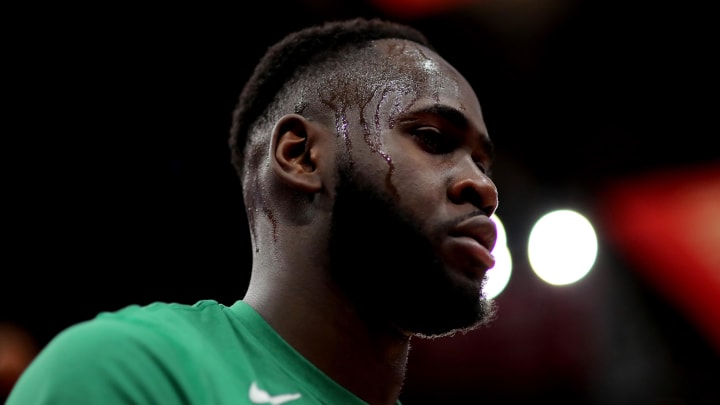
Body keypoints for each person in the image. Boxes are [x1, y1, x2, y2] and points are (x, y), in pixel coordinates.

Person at [7, 17, 499, 405]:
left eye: (482, 162)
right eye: (433, 139)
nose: (484, 187)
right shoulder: (131, 370)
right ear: (300, 155)